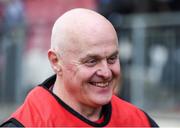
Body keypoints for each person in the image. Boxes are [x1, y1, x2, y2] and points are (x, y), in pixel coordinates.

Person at [0, 8, 158, 127]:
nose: (106, 72)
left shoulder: (139, 121)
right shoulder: (27, 123)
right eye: (91, 61)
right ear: (55, 61)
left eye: (112, 59)